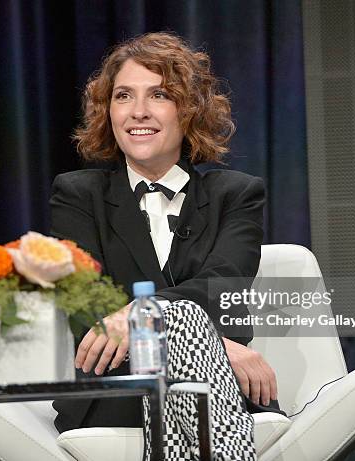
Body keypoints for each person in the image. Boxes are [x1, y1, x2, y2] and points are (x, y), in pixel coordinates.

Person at [49, 32, 278, 461]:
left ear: (188, 110)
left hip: (221, 389)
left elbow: (224, 284)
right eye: (123, 96)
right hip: (121, 390)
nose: (138, 112)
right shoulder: (76, 195)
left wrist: (140, 311)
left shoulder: (238, 193)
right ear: (107, 111)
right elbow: (92, 319)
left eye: (158, 95)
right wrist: (217, 345)